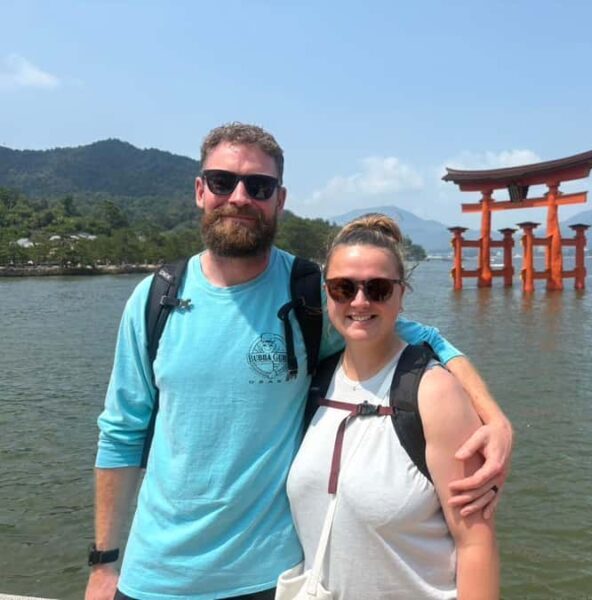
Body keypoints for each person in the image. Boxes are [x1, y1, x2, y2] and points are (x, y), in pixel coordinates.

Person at [87, 123, 512, 600]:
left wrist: (495, 419)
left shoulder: (314, 295)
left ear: (279, 198)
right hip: (153, 574)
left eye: (259, 186)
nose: (241, 197)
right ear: (200, 190)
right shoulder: (156, 299)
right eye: (224, 181)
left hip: (273, 578)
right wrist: (104, 564)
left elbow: (426, 340)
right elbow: (121, 434)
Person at [286, 214, 499, 599]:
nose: (360, 301)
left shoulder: (435, 392)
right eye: (343, 288)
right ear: (326, 293)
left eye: (379, 289)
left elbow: (475, 543)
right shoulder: (315, 380)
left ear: (402, 294)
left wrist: (497, 419)